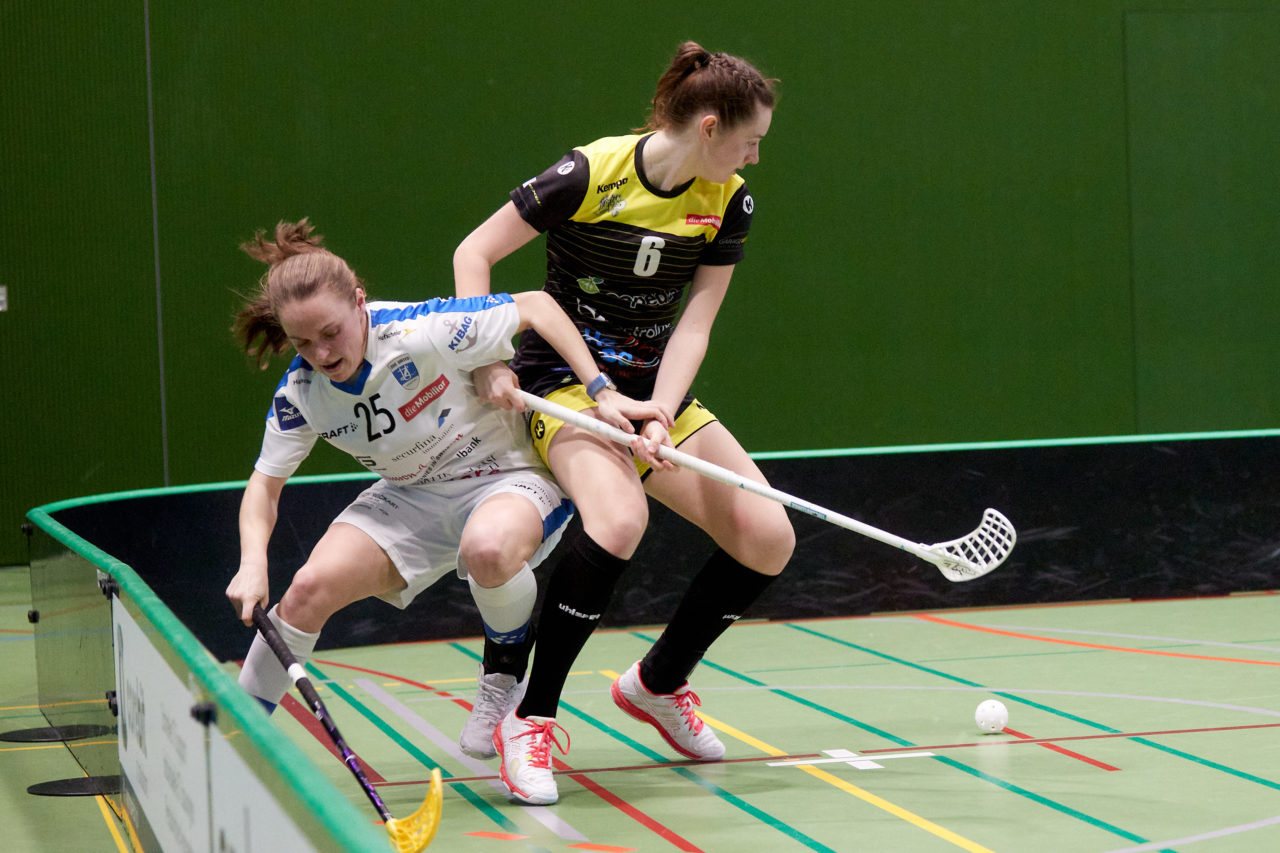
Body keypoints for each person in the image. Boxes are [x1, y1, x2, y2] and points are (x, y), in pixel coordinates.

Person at [453, 42, 794, 804]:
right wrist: (484, 361)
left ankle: (657, 683)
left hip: (650, 391)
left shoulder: (728, 199)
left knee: (768, 535)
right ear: (709, 127)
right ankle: (531, 719)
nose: (754, 158)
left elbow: (697, 321)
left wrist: (662, 413)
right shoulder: (589, 173)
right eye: (750, 142)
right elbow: (472, 253)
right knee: (618, 519)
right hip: (563, 385)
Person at [225, 218, 668, 760]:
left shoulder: (422, 329)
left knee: (488, 548)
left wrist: (600, 389)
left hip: (505, 475)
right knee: (306, 590)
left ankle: (504, 672)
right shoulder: (301, 394)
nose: (322, 354)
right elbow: (264, 486)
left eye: (331, 332)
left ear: (360, 302)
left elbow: (538, 306)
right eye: (302, 342)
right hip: (411, 493)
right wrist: (252, 563)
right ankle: (235, 743)